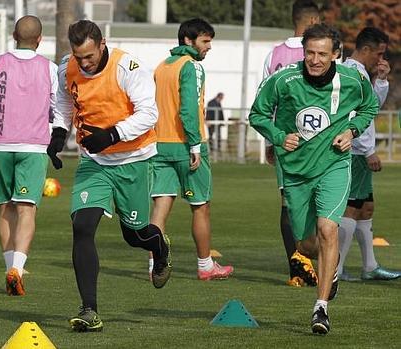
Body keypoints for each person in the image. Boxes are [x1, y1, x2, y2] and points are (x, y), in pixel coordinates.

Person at [249, 24, 379, 334]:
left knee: (328, 228)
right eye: (310, 53)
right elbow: (257, 114)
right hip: (295, 172)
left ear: (336, 54)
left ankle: (321, 308)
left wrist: (351, 131)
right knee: (307, 245)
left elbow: (369, 106)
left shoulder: (352, 79)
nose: (315, 60)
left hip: (334, 165)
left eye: (322, 54)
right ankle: (328, 266)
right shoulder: (283, 80)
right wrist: (279, 137)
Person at [49, 19, 171, 332]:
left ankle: (160, 248)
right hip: (94, 162)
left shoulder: (128, 67)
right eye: (79, 57)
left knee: (135, 235)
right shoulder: (68, 67)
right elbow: (64, 98)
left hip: (132, 159)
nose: (85, 63)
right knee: (82, 226)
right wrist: (59, 132)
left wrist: (112, 135)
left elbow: (149, 113)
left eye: (89, 56)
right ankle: (89, 309)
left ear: (102, 44)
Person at [0, 15, 58, 296]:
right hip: (33, 146)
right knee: (26, 208)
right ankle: (17, 270)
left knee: (5, 207)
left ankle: (10, 267)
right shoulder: (50, 68)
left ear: (13, 36)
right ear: (40, 39)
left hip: (0, 143)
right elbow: (58, 104)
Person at [150, 18, 233, 282]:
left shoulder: (162, 67)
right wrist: (195, 145)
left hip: (159, 145)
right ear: (188, 40)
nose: (209, 47)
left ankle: (155, 263)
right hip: (186, 146)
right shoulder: (191, 66)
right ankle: (206, 265)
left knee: (161, 206)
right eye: (205, 41)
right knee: (200, 206)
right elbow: (188, 108)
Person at [261, 0, 321, 288]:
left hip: (286, 140)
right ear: (312, 22)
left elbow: (265, 99)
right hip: (318, 140)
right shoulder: (325, 52)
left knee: (289, 203)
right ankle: (313, 262)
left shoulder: (274, 54)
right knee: (317, 202)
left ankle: (297, 268)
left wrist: (270, 140)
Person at [338, 27, 400, 281]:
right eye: (379, 53)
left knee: (366, 207)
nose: (381, 59)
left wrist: (382, 80)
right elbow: (355, 118)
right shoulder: (352, 73)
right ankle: (336, 269)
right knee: (351, 209)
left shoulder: (362, 73)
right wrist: (368, 151)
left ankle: (369, 266)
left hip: (358, 151)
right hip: (354, 152)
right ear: (365, 49)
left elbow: (370, 107)